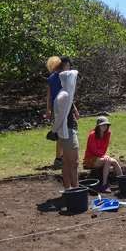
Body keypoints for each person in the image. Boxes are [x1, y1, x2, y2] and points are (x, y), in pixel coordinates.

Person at [46, 56, 79, 168]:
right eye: (66, 65)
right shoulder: (63, 77)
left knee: (64, 131)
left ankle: (61, 157)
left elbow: (50, 96)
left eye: (69, 66)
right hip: (62, 107)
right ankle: (60, 158)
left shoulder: (53, 77)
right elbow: (64, 95)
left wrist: (48, 109)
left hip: (59, 107)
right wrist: (74, 109)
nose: (68, 68)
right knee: (64, 132)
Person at [51, 59, 80, 190]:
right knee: (73, 163)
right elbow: (59, 116)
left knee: (68, 163)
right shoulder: (63, 95)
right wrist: (55, 129)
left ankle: (69, 190)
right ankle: (76, 190)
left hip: (67, 130)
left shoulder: (65, 93)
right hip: (67, 130)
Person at [83, 116, 123, 193]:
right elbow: (94, 150)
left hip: (100, 157)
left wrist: (104, 156)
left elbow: (104, 148)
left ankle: (123, 181)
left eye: (106, 125)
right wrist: (104, 156)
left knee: (114, 161)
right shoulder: (92, 135)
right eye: (102, 125)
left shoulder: (107, 133)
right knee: (107, 161)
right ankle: (104, 185)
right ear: (98, 126)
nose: (105, 126)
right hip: (90, 159)